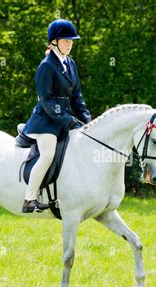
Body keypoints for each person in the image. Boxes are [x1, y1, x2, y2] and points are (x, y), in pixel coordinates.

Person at [22, 19, 92, 213]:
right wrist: (68, 120)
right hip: (46, 122)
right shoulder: (46, 66)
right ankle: (29, 199)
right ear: (54, 42)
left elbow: (76, 96)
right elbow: (47, 100)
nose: (69, 44)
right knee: (48, 154)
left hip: (65, 120)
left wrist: (86, 118)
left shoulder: (70, 63)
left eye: (71, 41)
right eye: (65, 41)